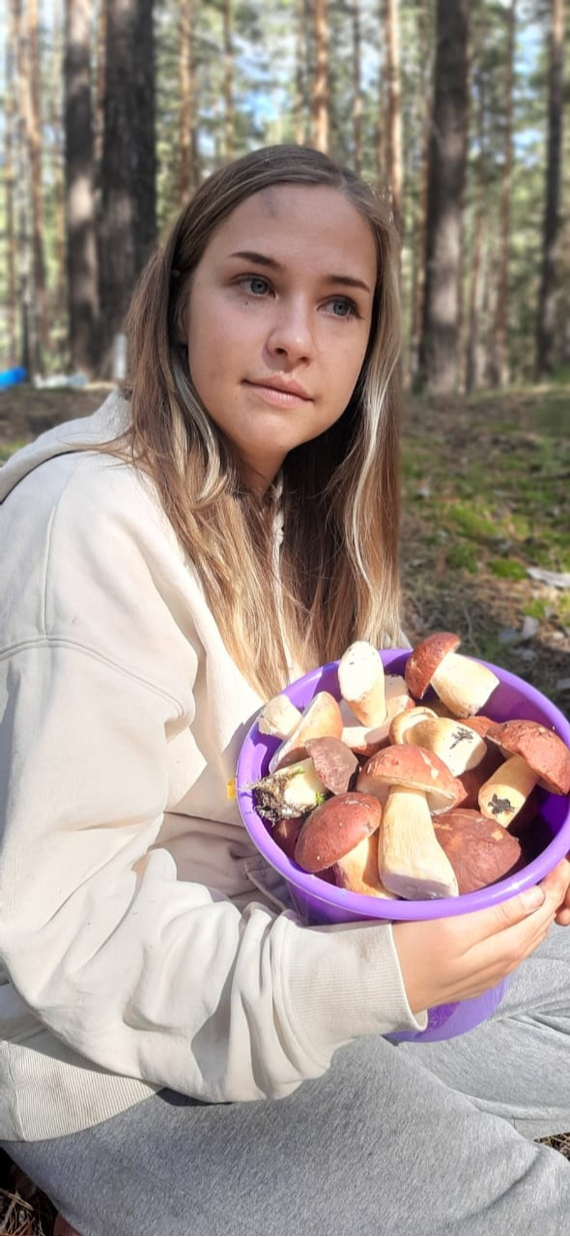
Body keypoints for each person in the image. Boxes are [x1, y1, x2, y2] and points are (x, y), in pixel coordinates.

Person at [1, 143, 570, 1237]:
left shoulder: (305, 516)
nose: (294, 337)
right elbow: (67, 930)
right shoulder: (89, 526)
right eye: (254, 282)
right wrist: (369, 978)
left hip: (301, 959)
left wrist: (497, 877)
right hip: (106, 1057)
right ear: (177, 303)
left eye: (340, 304)